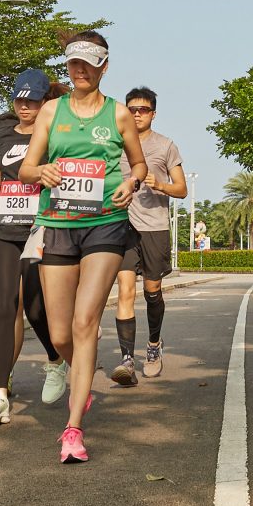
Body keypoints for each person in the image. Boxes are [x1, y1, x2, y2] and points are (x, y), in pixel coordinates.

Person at [20, 31, 149, 463]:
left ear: (104, 66)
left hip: (106, 226)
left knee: (84, 320)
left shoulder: (118, 116)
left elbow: (138, 164)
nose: (78, 69)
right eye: (73, 62)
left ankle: (73, 428)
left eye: (88, 63)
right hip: (57, 223)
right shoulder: (52, 111)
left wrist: (131, 184)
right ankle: (81, 376)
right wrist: (43, 172)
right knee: (60, 334)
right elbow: (25, 167)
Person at [0, 68, 67, 424]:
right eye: (20, 100)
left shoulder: (56, 132)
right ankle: (0, 396)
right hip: (4, 229)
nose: (25, 107)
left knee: (37, 310)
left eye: (33, 101)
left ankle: (56, 360)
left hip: (40, 227)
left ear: (46, 103)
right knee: (4, 309)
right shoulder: (3, 130)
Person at [111, 87, 188, 382]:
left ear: (153, 114)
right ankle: (127, 360)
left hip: (154, 227)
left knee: (152, 292)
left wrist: (161, 185)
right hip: (122, 226)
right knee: (125, 291)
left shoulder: (165, 146)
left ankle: (154, 345)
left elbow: (181, 189)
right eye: (131, 109)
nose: (137, 114)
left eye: (143, 110)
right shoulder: (114, 144)